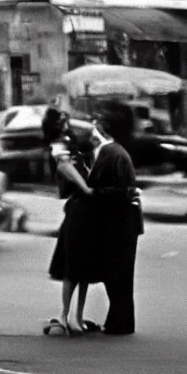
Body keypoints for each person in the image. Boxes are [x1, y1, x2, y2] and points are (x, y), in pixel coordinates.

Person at [42, 107, 105, 336]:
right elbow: (63, 166)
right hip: (78, 209)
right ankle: (65, 314)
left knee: (84, 267)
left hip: (88, 210)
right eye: (61, 119)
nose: (66, 122)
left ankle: (77, 316)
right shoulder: (59, 146)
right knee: (73, 266)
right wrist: (86, 187)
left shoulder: (77, 145)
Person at [87, 102, 144, 335]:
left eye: (97, 124)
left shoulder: (111, 152)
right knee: (121, 275)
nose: (92, 128)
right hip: (126, 222)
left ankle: (119, 322)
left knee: (116, 275)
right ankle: (120, 321)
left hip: (118, 223)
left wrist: (91, 192)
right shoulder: (119, 151)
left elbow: (112, 190)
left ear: (104, 129)